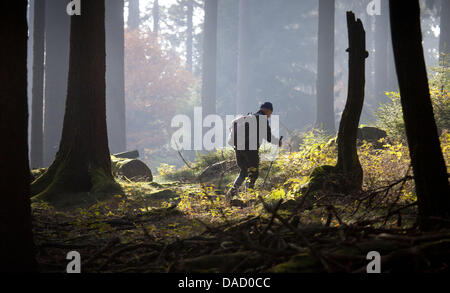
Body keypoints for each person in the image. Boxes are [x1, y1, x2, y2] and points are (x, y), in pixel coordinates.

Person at [226, 102, 282, 202]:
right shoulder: (262, 119)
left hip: (238, 148)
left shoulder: (249, 116)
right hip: (250, 149)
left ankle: (231, 194)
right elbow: (268, 137)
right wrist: (278, 142)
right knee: (253, 172)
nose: (269, 116)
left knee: (244, 171)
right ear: (268, 110)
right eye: (270, 113)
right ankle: (249, 196)